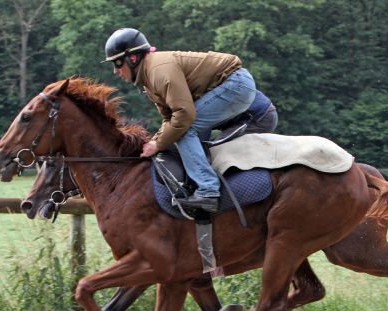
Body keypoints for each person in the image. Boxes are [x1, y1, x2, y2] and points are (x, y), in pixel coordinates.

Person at [103, 27, 267, 213]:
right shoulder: (149, 77)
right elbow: (169, 117)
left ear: (132, 58)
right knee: (178, 130)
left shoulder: (158, 71)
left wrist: (157, 145)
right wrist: (155, 141)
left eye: (117, 63)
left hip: (236, 85)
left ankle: (208, 191)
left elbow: (183, 115)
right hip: (231, 85)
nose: (115, 71)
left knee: (184, 129)